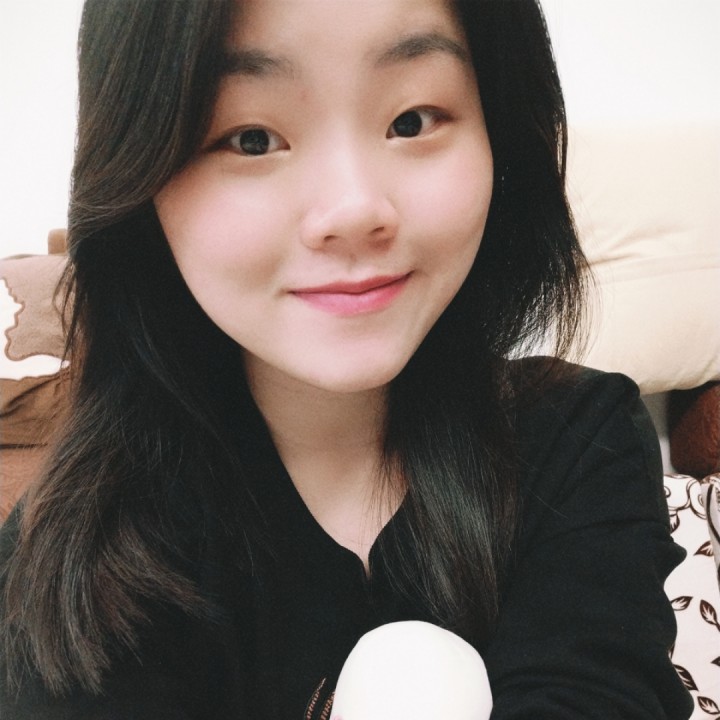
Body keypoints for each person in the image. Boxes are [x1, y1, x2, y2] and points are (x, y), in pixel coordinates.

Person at [0, 0, 693, 718]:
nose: (356, 210)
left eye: (412, 121)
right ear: (138, 182)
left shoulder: (577, 440)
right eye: (252, 139)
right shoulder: (75, 553)